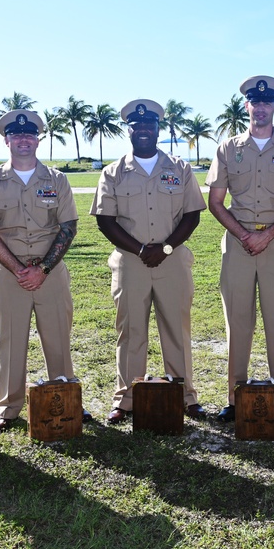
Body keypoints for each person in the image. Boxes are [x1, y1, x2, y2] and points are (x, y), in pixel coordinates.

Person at [206, 76, 274, 425]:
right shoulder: (227, 148)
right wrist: (243, 234)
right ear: (247, 106)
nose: (261, 108)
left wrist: (267, 235)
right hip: (238, 245)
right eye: (256, 102)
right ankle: (235, 396)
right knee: (237, 322)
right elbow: (215, 201)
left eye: (267, 102)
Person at [90, 99, 207, 424]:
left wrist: (166, 248)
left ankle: (185, 395)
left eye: (149, 125)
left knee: (177, 330)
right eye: (136, 125)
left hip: (172, 262)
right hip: (130, 262)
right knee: (130, 332)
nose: (143, 130)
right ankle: (125, 399)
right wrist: (142, 250)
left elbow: (192, 215)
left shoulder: (180, 168)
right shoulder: (113, 173)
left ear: (158, 129)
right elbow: (106, 221)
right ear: (129, 129)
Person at [0, 109, 86, 432]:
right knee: (9, 341)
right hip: (10, 274)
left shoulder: (57, 180)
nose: (24, 139)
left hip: (52, 272)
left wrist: (43, 268)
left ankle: (67, 395)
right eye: (17, 135)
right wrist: (21, 269)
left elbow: (68, 226)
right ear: (6, 140)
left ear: (38, 140)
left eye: (30, 134)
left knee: (59, 339)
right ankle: (8, 408)